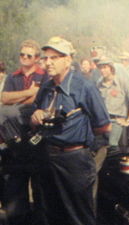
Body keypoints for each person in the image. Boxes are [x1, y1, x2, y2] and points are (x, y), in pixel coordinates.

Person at [31, 37, 111, 225]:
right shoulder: (47, 87)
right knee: (51, 212)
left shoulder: (84, 86)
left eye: (54, 58)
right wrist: (35, 115)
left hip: (74, 161)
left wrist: (77, 134)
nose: (48, 62)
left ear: (67, 60)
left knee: (78, 216)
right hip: (48, 157)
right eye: (46, 58)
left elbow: (104, 125)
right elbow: (36, 111)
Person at [0, 39, 47, 225]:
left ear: (36, 58)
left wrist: (16, 101)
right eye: (22, 55)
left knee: (39, 187)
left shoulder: (44, 76)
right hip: (14, 138)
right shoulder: (13, 76)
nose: (24, 58)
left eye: (29, 55)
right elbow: (4, 97)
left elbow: (38, 99)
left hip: (35, 137)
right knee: (14, 187)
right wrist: (28, 92)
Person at [97, 58, 129, 151]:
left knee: (113, 146)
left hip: (117, 121)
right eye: (100, 68)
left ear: (111, 68)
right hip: (104, 121)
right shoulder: (99, 84)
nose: (102, 70)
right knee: (100, 147)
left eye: (105, 67)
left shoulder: (122, 81)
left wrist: (128, 121)